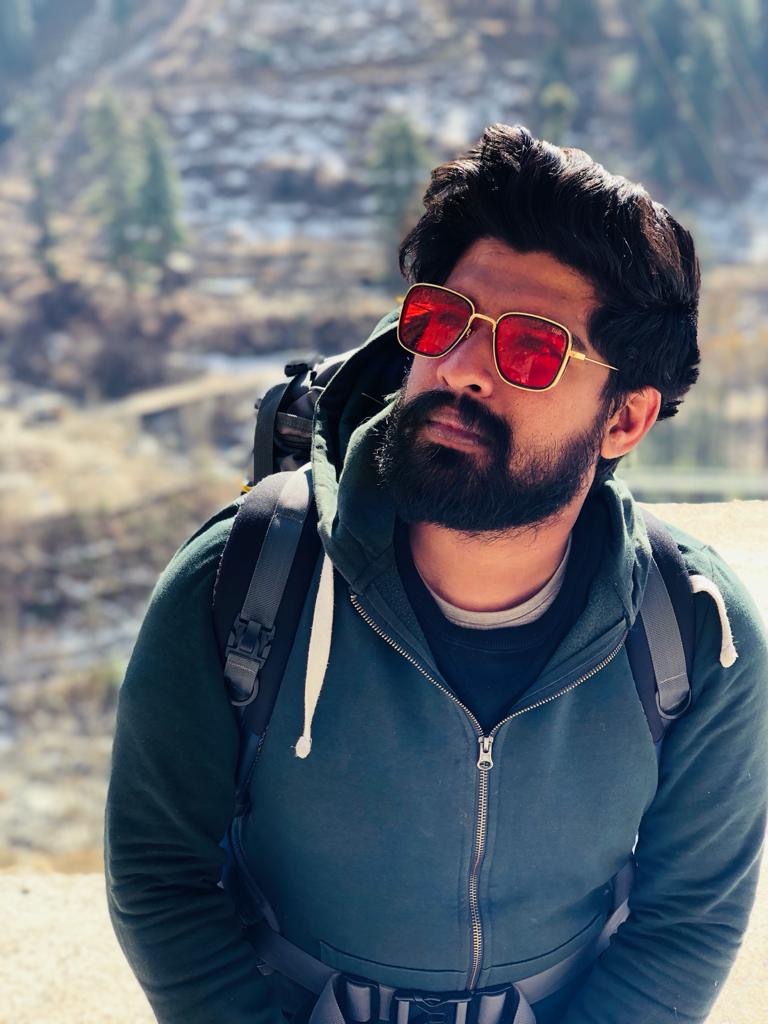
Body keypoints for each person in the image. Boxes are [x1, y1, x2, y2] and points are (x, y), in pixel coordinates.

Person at [105, 124, 768, 1024]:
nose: (460, 368)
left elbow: (686, 921)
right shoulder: (243, 579)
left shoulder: (694, 633)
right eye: (442, 320)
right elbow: (159, 875)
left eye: (530, 349)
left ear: (624, 420)